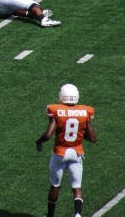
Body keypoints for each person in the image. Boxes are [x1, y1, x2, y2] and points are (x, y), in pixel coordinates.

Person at [35, 83, 97, 217]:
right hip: (76, 152)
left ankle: (50, 215)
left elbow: (48, 134)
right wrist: (81, 133)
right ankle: (77, 214)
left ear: (62, 96)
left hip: (60, 152)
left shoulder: (56, 110)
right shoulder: (85, 111)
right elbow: (93, 138)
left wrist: (38, 141)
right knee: (77, 187)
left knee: (55, 185)